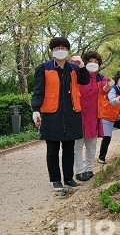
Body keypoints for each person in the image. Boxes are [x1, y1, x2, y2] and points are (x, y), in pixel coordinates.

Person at [31, 37, 90, 193]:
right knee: (52, 150)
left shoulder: (74, 69)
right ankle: (56, 180)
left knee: (69, 149)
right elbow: (38, 91)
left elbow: (85, 81)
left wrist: (82, 65)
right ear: (52, 50)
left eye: (64, 47)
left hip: (71, 114)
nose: (60, 50)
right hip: (51, 115)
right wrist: (35, 109)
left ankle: (69, 179)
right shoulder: (43, 68)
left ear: (68, 50)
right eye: (57, 48)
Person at [74, 51, 113, 182]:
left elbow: (104, 90)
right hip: (77, 115)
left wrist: (109, 85)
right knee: (77, 145)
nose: (93, 64)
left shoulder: (100, 79)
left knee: (91, 145)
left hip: (93, 116)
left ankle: (88, 168)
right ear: (85, 62)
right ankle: (79, 171)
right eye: (91, 61)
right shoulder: (77, 75)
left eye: (96, 62)